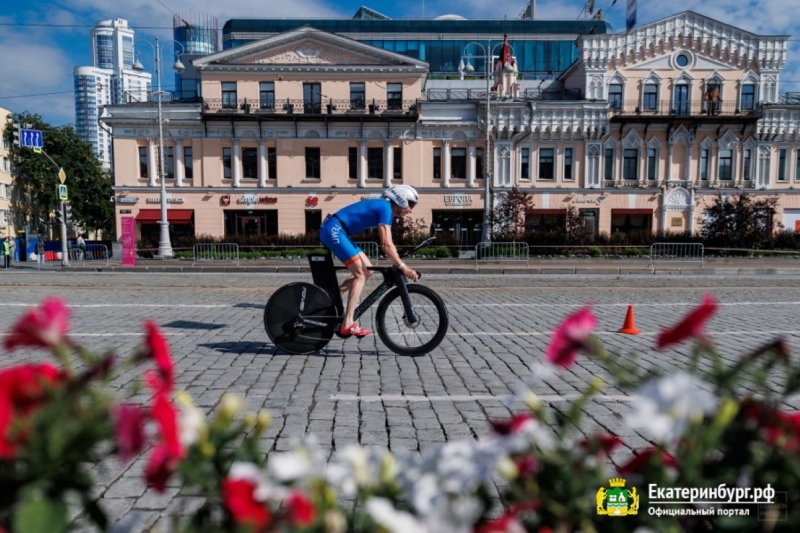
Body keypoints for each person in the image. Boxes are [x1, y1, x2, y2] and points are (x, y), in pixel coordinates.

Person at [319, 185, 420, 338]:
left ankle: (332, 296)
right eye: (410, 204)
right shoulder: (386, 208)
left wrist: (398, 260)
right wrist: (403, 267)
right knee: (360, 274)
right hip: (334, 230)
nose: (411, 210)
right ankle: (347, 324)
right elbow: (385, 245)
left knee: (368, 270)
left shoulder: (386, 209)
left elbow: (389, 244)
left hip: (339, 230)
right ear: (401, 200)